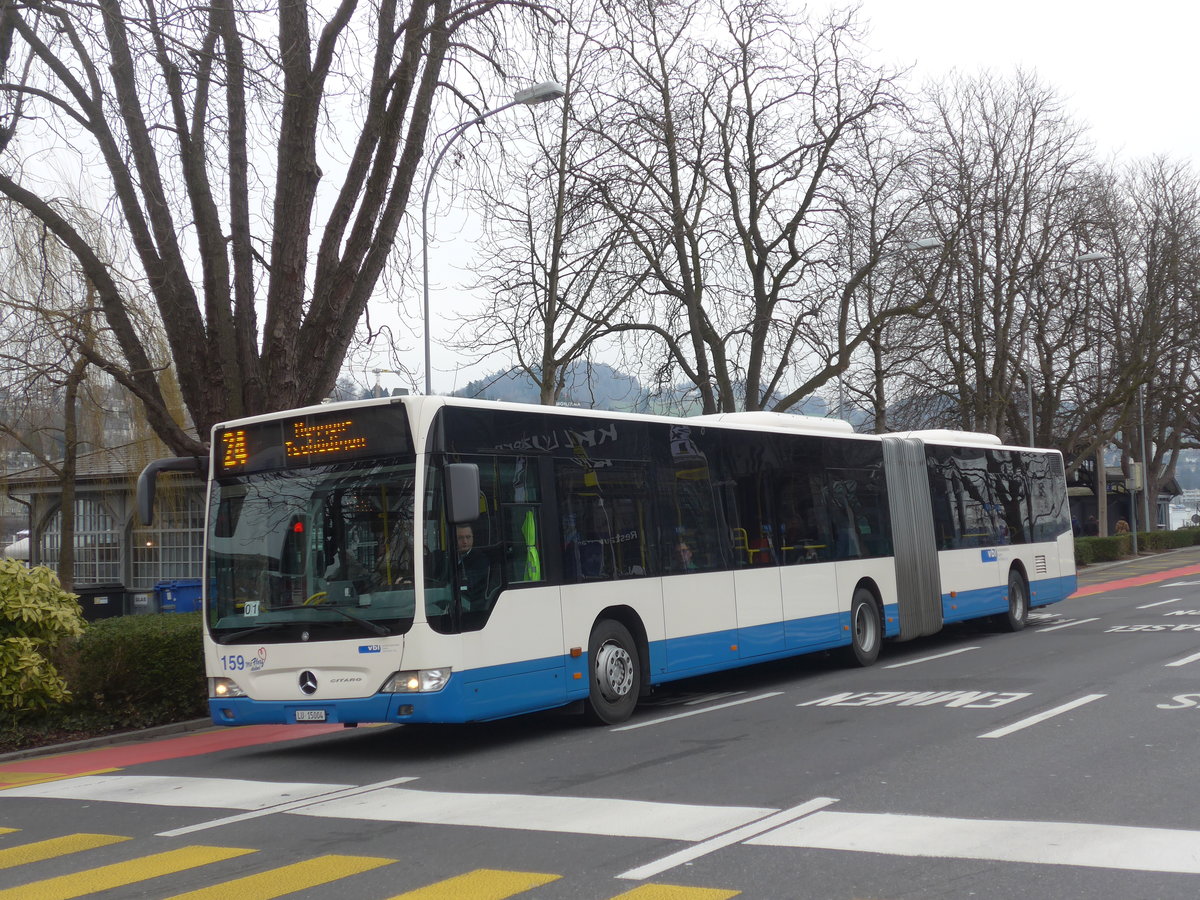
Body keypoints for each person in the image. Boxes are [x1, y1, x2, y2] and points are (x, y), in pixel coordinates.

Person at [456, 523, 497, 611]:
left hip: (474, 607)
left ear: (473, 538)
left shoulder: (480, 560)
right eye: (460, 538)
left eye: (468, 537)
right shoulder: (448, 557)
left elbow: (471, 588)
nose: (465, 541)